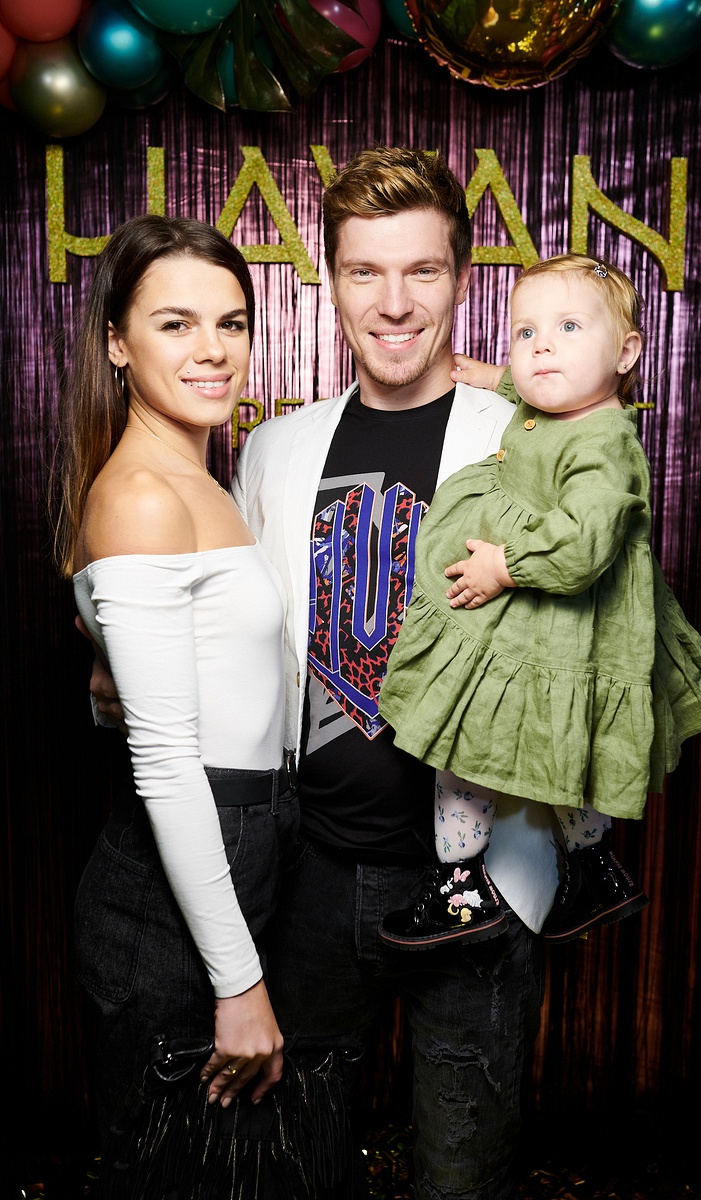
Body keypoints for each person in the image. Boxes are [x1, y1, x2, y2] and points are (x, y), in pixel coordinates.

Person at [227, 146, 561, 1200]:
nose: (395, 302)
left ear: (461, 279)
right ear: (330, 282)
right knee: (292, 1164)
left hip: (479, 876)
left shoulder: (530, 439)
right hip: (315, 875)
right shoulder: (274, 452)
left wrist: (516, 385)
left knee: (463, 1174)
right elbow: (235, 643)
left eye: (423, 270)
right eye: (365, 271)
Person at [53, 215, 340, 1198]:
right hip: (184, 876)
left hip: (251, 842)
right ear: (117, 343)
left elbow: (196, 678)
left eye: (232, 322)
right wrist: (239, 984)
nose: (212, 349)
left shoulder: (202, 478)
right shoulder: (143, 495)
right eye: (176, 324)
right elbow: (167, 765)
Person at [376, 254, 701, 950]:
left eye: (569, 327)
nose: (541, 347)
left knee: (466, 746)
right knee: (564, 746)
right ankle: (595, 868)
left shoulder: (604, 442)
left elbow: (581, 545)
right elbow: (535, 384)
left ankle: (460, 888)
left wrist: (504, 565)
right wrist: (492, 376)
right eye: (526, 332)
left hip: (552, 621)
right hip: (551, 634)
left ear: (626, 353)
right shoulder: (562, 402)